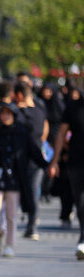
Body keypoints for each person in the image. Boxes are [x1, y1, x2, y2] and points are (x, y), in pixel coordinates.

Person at [0, 103, 48, 257]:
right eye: (3, 113)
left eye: (8, 113)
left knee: (11, 215)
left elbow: (33, 151)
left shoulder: (22, 133)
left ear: (13, 115)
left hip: (14, 180)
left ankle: (9, 244)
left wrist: (48, 166)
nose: (5, 116)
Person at [48, 90, 84, 259]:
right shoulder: (73, 107)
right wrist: (55, 161)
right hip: (76, 162)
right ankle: (83, 237)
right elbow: (61, 134)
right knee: (80, 202)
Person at [14, 81, 49, 240]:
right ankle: (30, 224)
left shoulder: (22, 113)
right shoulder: (40, 111)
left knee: (31, 191)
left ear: (20, 95)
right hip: (39, 154)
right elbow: (44, 129)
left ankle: (32, 225)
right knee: (33, 191)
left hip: (26, 157)